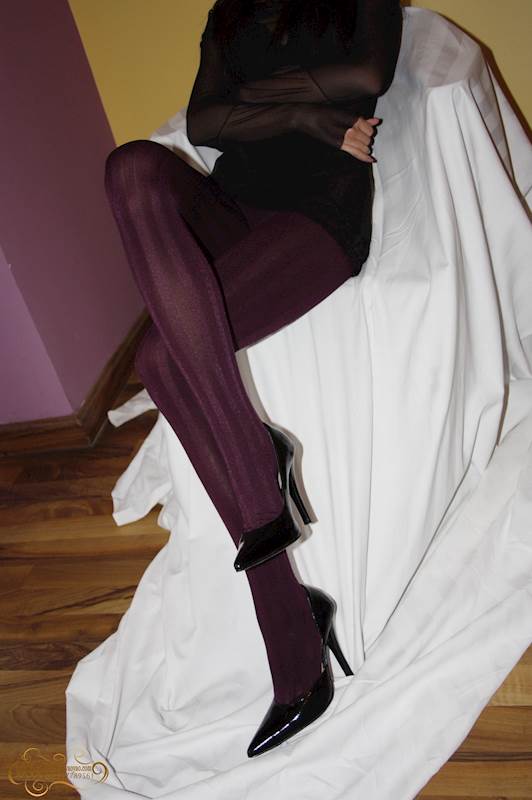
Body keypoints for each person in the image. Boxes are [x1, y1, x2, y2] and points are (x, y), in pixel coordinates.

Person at [104, 0, 403, 758]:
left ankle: (291, 633)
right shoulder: (232, 10)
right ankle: (254, 449)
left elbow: (366, 73)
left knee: (159, 360)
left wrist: (261, 106)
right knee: (130, 165)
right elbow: (205, 124)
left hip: (319, 212)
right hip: (234, 203)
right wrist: (309, 112)